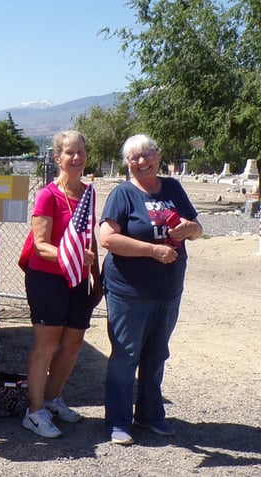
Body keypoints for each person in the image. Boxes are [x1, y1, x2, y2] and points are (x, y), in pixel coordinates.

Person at [99, 134, 202, 445]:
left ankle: (149, 415)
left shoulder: (172, 188)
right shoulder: (123, 194)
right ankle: (118, 421)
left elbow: (196, 228)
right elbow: (107, 238)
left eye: (147, 155)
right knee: (126, 355)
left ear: (158, 156)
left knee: (157, 354)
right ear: (127, 163)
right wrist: (151, 251)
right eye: (135, 157)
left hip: (168, 290)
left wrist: (192, 229)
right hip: (129, 291)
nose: (142, 161)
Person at [21, 131, 102, 438]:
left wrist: (96, 276)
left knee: (73, 343)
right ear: (57, 158)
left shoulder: (89, 193)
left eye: (81, 152)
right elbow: (41, 244)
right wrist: (72, 255)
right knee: (47, 342)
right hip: (48, 277)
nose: (76, 158)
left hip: (78, 279)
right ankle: (35, 411)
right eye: (70, 153)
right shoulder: (48, 195)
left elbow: (89, 238)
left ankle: (53, 399)